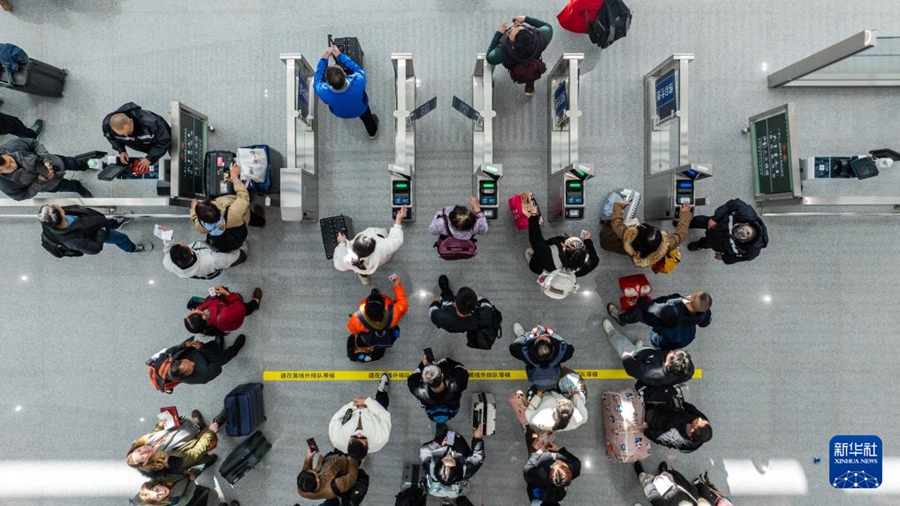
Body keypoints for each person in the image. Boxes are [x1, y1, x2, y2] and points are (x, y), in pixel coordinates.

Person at [189, 163, 265, 252]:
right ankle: (261, 221)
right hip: (243, 216)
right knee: (251, 217)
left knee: (246, 217)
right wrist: (235, 179)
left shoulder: (203, 227)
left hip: (233, 228)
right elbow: (244, 197)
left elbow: (195, 220)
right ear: (215, 208)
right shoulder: (233, 212)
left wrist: (193, 209)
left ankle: (260, 222)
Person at [126, 409, 222, 477]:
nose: (144, 450)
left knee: (193, 426)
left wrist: (160, 426)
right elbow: (194, 453)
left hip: (185, 431)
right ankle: (207, 455)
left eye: (139, 450)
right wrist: (210, 432)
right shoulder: (168, 460)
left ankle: (198, 425)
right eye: (142, 456)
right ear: (145, 462)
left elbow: (155, 433)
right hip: (195, 442)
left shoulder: (147, 442)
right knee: (204, 452)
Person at [600, 201, 692, 269]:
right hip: (630, 250)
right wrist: (685, 214)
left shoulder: (627, 234)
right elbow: (682, 234)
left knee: (608, 237)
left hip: (608, 239)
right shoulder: (665, 246)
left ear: (634, 236)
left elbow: (616, 221)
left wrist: (619, 206)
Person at [607, 291, 712, 350]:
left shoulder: (671, 312)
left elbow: (650, 307)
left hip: (666, 331)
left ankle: (621, 318)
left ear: (692, 298)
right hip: (682, 338)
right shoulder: (703, 311)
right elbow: (705, 323)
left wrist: (638, 300)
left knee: (639, 312)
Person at [314, 44, 379, 139]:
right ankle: (372, 133)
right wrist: (340, 56)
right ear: (344, 74)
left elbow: (317, 81)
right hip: (360, 109)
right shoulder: (358, 80)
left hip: (340, 113)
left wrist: (323, 61)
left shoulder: (323, 92)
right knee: (368, 118)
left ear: (327, 82)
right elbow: (358, 69)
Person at [0, 137, 93, 200]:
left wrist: (46, 159)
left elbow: (34, 143)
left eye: (10, 160)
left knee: (73, 163)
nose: (14, 165)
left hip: (55, 162)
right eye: (8, 167)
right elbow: (23, 195)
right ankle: (77, 187)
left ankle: (87, 165)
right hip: (49, 184)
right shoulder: (6, 185)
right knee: (67, 186)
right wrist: (39, 182)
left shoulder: (13, 146)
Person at [333, 206, 407, 285]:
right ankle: (364, 274)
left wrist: (342, 243)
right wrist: (398, 220)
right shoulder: (381, 248)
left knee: (362, 269)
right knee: (384, 233)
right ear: (373, 248)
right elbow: (396, 240)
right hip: (378, 261)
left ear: (354, 246)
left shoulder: (346, 259)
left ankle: (363, 276)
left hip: (360, 267)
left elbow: (338, 265)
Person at [38, 204, 152, 254]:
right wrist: (101, 232)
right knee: (121, 238)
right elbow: (94, 249)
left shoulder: (52, 221)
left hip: (94, 222)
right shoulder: (72, 241)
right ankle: (132, 248)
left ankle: (116, 222)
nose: (58, 205)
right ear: (59, 216)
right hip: (97, 232)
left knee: (108, 222)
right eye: (57, 208)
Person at [328, 374, 392, 460]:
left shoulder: (337, 439)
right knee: (382, 402)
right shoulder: (381, 438)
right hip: (373, 413)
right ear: (367, 446)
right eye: (362, 437)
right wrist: (367, 402)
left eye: (354, 437)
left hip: (354, 409)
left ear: (349, 442)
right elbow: (384, 415)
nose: (359, 433)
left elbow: (336, 418)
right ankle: (382, 390)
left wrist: (353, 405)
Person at [418, 424, 485, 506]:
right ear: (457, 469)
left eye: (445, 459)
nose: (449, 456)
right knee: (452, 435)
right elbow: (478, 457)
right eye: (452, 461)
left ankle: (443, 429)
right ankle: (451, 434)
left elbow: (424, 450)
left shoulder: (430, 467)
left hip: (443, 443)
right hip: (459, 445)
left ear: (438, 464)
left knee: (442, 433)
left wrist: (439, 444)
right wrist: (477, 439)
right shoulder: (467, 471)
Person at [347, 274, 408, 362]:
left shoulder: (357, 318)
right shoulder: (394, 313)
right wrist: (397, 286)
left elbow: (352, 330)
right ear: (383, 310)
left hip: (371, 337)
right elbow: (403, 304)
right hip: (388, 328)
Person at [687, 198, 768, 264]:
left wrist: (723, 257)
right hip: (719, 223)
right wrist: (715, 218)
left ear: (743, 242)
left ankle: (699, 244)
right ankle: (686, 223)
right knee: (699, 221)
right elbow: (732, 204)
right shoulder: (746, 212)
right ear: (746, 223)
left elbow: (737, 258)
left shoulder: (752, 252)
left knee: (708, 243)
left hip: (721, 243)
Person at [486, 15, 553, 96]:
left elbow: (489, 58)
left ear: (512, 44)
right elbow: (548, 27)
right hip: (533, 60)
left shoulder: (502, 51)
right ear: (530, 32)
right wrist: (525, 19)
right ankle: (529, 86)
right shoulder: (542, 36)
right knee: (531, 71)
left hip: (513, 64)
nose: (514, 26)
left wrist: (498, 33)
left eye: (510, 32)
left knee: (525, 71)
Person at [101, 102, 172, 171]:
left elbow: (164, 140)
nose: (127, 136)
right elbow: (111, 137)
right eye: (122, 135)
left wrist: (149, 158)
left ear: (131, 121)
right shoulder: (107, 126)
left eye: (128, 132)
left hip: (159, 138)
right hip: (141, 143)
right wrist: (121, 150)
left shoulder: (151, 122)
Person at [642, 386, 712, 453]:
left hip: (655, 420)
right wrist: (684, 404)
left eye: (698, 421)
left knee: (645, 412)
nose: (699, 418)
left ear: (692, 430)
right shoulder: (703, 423)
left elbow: (655, 436)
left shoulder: (674, 437)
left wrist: (644, 429)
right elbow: (692, 409)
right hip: (670, 411)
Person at [525, 214, 599, 277]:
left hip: (545, 263)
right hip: (559, 274)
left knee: (536, 262)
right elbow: (592, 252)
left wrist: (533, 216)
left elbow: (535, 238)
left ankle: (534, 264)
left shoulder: (548, 253)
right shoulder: (593, 261)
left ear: (563, 249)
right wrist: (587, 240)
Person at [407, 352, 469, 425]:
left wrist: (423, 365)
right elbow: (460, 367)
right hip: (451, 404)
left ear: (424, 381)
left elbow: (414, 376)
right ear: (442, 376)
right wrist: (446, 362)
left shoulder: (417, 390)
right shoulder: (458, 382)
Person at [509, 324, 574, 390]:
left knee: (522, 339)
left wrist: (530, 333)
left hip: (536, 378)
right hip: (553, 378)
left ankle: (522, 335)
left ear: (533, 348)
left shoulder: (525, 353)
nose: (541, 337)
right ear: (553, 348)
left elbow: (513, 347)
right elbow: (565, 345)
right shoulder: (562, 352)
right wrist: (553, 334)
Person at [429, 275, 501, 335]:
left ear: (454, 304)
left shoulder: (442, 317)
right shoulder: (485, 315)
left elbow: (432, 311)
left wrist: (435, 302)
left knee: (447, 300)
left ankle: (446, 291)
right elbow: (487, 304)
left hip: (451, 326)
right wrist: (482, 300)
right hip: (472, 325)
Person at [163, 335, 247, 386]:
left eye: (188, 360)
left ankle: (218, 345)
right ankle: (236, 347)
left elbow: (174, 350)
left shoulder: (173, 363)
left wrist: (184, 345)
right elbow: (217, 364)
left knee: (213, 346)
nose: (192, 362)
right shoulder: (203, 376)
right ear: (187, 375)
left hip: (202, 353)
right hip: (212, 360)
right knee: (225, 356)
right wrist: (203, 349)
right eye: (192, 367)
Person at [162, 232, 247, 280]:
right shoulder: (210, 260)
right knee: (233, 259)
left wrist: (167, 237)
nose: (181, 242)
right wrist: (240, 250)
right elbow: (230, 259)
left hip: (205, 251)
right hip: (214, 263)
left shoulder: (167, 261)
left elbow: (168, 250)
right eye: (183, 245)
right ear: (191, 252)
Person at [184, 286, 263, 337]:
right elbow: (240, 308)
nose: (195, 309)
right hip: (235, 313)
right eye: (195, 311)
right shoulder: (224, 315)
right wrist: (227, 294)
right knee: (246, 309)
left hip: (226, 309)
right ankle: (255, 302)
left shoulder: (201, 326)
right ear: (204, 316)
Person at [633, 461, 712, 506]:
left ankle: (641, 474)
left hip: (663, 491)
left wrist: (649, 485)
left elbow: (655, 499)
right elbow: (705, 492)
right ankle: (663, 472)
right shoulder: (707, 504)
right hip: (679, 485)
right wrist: (701, 486)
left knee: (647, 480)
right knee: (668, 476)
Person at [524, 386, 588, 434]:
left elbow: (529, 411)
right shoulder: (581, 417)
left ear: (554, 411)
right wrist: (575, 395)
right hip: (558, 393)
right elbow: (580, 406)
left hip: (543, 396)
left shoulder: (540, 420)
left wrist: (538, 396)